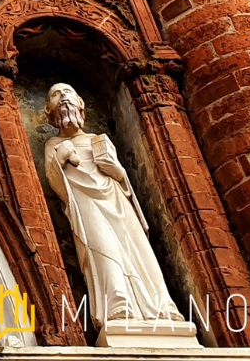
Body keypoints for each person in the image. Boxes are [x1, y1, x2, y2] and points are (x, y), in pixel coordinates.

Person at [42, 83, 184, 328]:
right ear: (48, 110)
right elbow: (55, 182)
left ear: (81, 104)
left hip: (116, 199)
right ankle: (118, 304)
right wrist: (61, 157)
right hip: (85, 203)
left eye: (69, 92)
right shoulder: (52, 145)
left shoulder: (98, 140)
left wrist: (116, 170)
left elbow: (121, 178)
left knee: (136, 248)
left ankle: (161, 306)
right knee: (102, 247)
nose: (63, 96)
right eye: (56, 94)